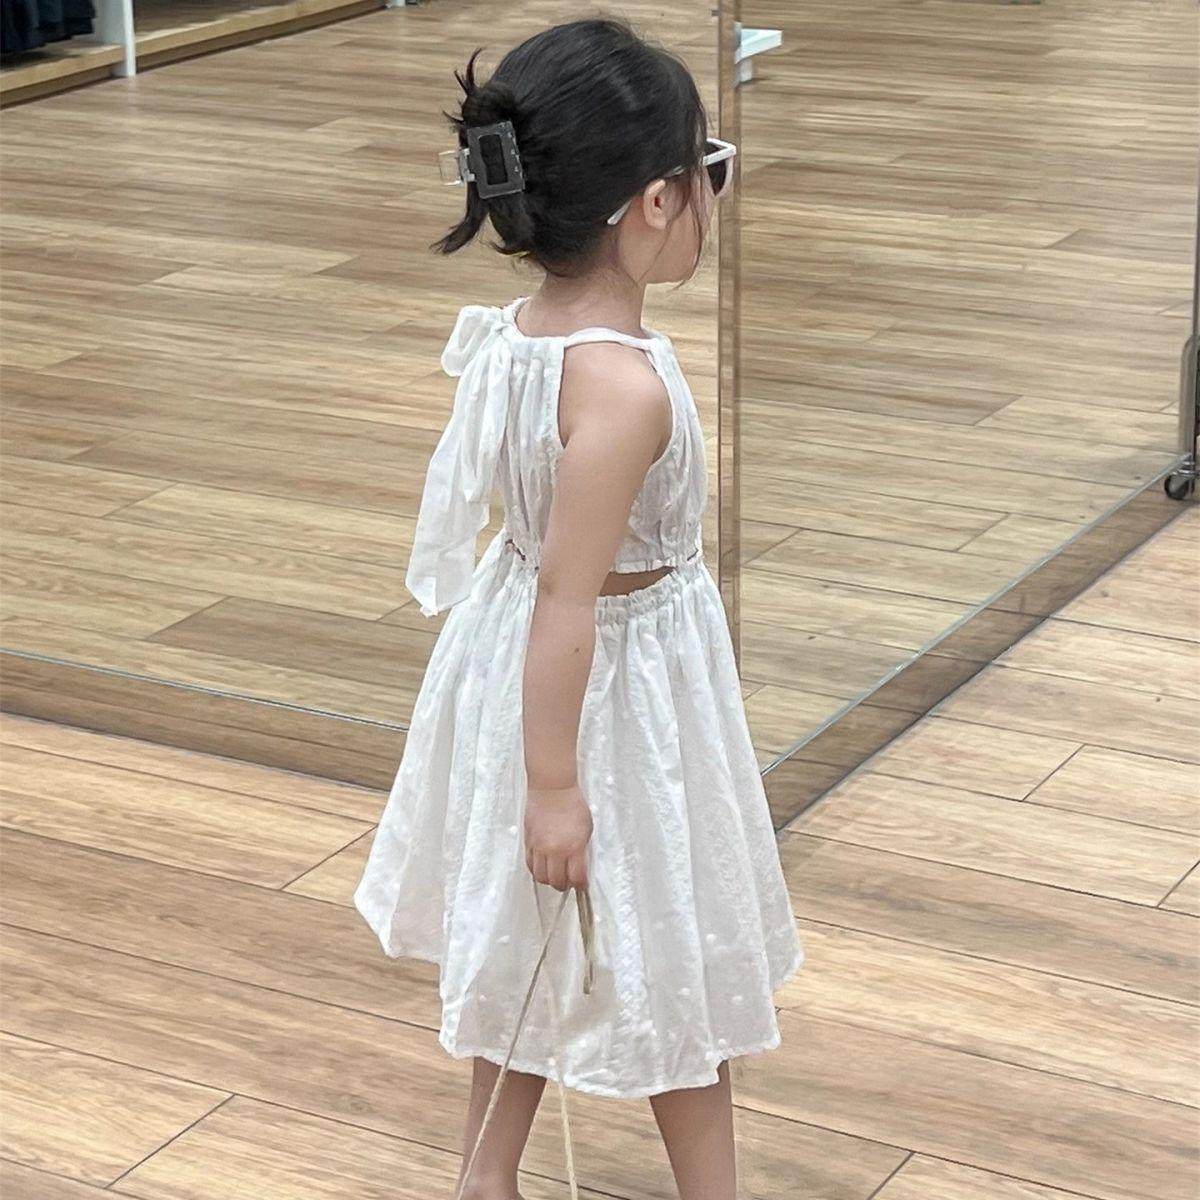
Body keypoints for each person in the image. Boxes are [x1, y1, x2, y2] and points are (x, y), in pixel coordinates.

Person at [353, 17, 803, 1200]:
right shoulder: (624, 390)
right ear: (654, 204)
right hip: (612, 690)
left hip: (524, 661)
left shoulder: (518, 339)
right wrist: (554, 786)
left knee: (524, 939)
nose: (714, 195)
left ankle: (484, 1177)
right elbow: (571, 597)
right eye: (708, 174)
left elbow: (530, 570)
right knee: (678, 954)